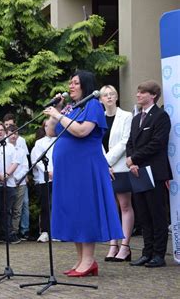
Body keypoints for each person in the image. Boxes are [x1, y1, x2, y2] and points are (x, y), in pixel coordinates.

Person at [43, 70, 123, 277]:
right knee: (75, 211)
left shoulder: (93, 105)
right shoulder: (71, 107)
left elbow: (82, 131)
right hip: (69, 171)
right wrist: (58, 110)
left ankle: (88, 261)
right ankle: (81, 261)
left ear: (85, 85)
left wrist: (59, 115)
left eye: (75, 83)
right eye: (70, 83)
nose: (71, 86)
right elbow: (51, 131)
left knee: (85, 210)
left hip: (85, 169)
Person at [127, 80, 172, 268]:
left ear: (152, 95)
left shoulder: (161, 116)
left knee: (157, 214)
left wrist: (135, 159)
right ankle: (147, 252)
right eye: (138, 92)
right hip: (137, 172)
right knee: (143, 215)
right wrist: (131, 160)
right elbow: (130, 142)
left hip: (154, 171)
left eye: (142, 92)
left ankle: (159, 254)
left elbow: (157, 143)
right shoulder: (136, 118)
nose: (138, 95)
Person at [99, 85, 134, 262]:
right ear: (101, 99)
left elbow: (125, 141)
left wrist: (108, 162)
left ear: (117, 96)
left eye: (112, 94)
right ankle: (113, 244)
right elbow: (96, 142)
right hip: (105, 169)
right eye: (105, 95)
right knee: (111, 207)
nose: (109, 97)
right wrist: (104, 165)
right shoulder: (98, 118)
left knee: (125, 205)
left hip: (120, 167)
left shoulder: (127, 116)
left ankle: (125, 246)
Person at [0, 123, 22, 244]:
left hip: (9, 183)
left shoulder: (11, 147)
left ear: (5, 132)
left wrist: (6, 175)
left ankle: (7, 234)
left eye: (1, 130)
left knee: (8, 210)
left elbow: (15, 162)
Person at [3, 114, 31, 240]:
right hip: (7, 182)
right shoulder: (3, 148)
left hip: (20, 183)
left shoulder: (21, 150)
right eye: (11, 133)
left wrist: (18, 179)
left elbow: (25, 166)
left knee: (18, 209)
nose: (13, 136)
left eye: (15, 133)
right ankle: (7, 231)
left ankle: (15, 231)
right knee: (8, 208)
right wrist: (11, 178)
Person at [30, 120, 54, 243]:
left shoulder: (60, 140)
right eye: (48, 126)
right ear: (44, 128)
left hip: (59, 177)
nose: (51, 128)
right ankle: (45, 231)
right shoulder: (39, 143)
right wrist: (48, 171)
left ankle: (57, 230)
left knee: (58, 204)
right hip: (44, 179)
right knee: (46, 205)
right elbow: (36, 160)